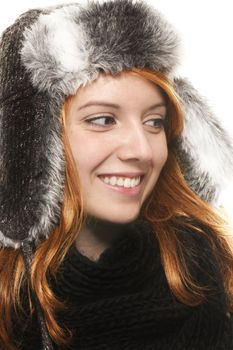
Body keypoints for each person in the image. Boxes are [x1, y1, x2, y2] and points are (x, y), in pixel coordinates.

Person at [0, 0, 233, 349]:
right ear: (32, 145)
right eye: (103, 120)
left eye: (155, 122)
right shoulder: (9, 300)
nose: (141, 149)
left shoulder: (201, 269)